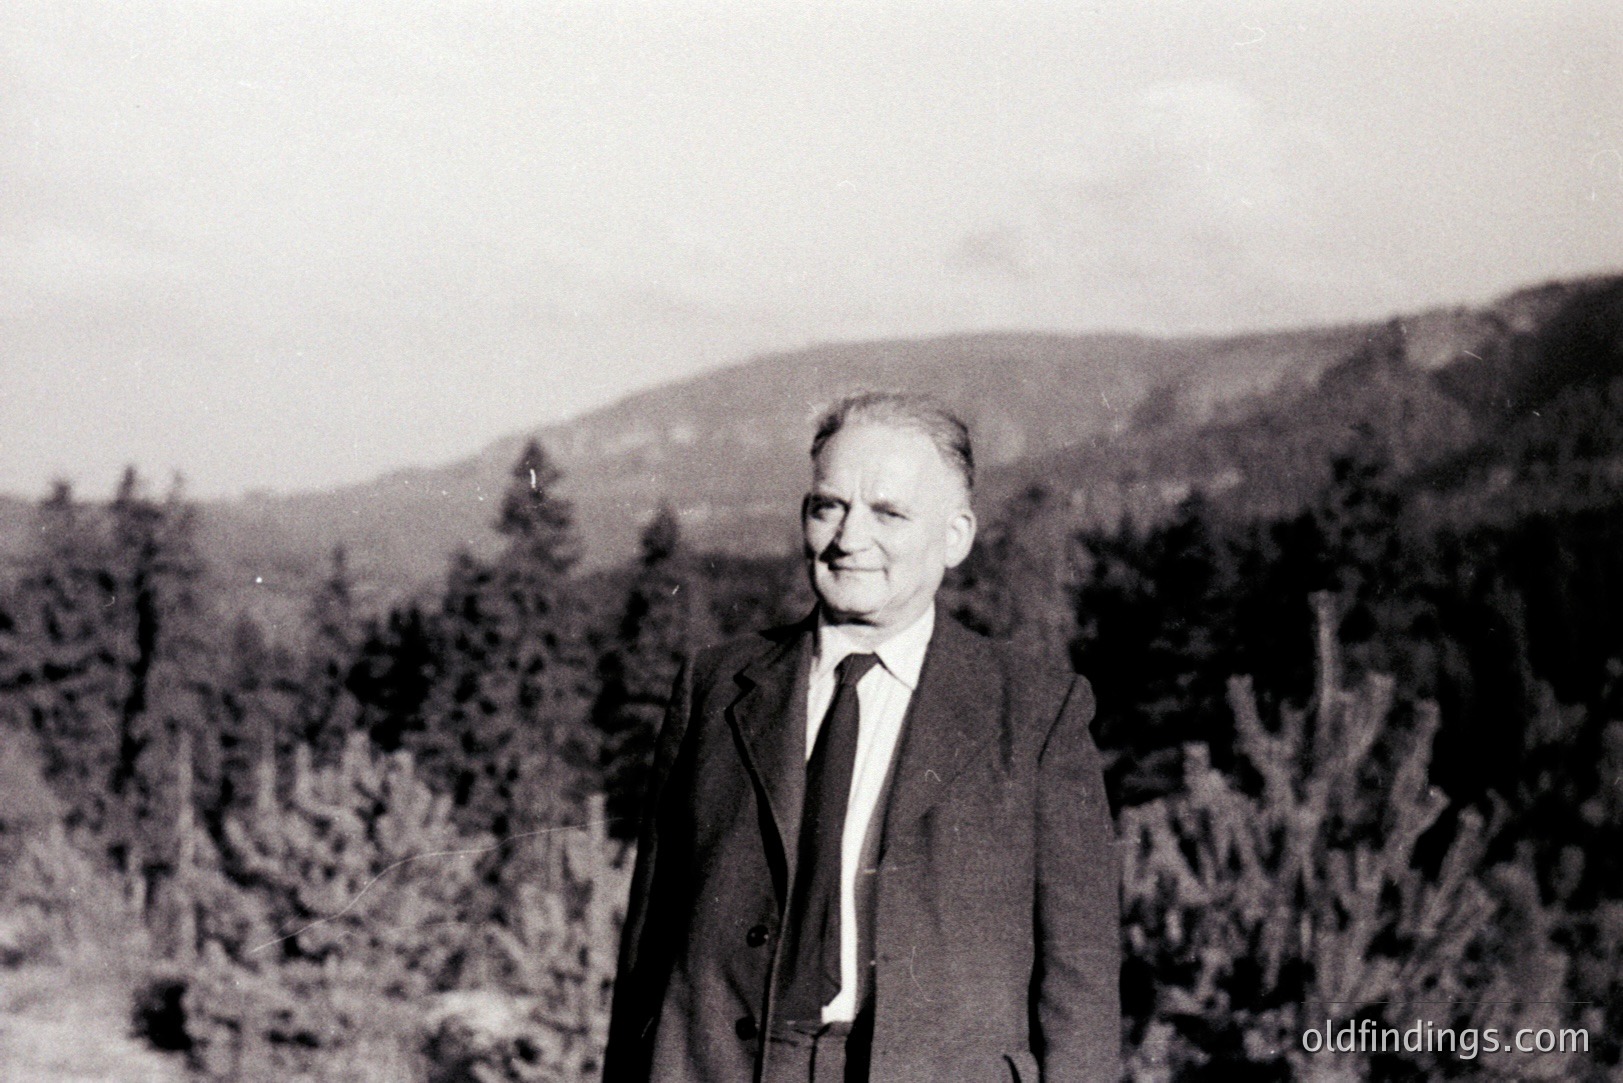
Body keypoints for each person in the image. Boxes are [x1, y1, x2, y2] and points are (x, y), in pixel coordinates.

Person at [604, 392, 1119, 1082]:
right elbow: (648, 943)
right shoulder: (714, 686)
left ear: (956, 536)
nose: (849, 538)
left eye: (888, 513)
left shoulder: (1034, 711)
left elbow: (1081, 978)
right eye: (829, 507)